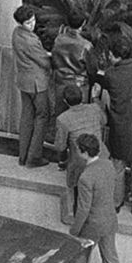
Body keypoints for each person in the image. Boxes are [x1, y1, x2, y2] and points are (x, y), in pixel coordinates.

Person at [67, 133, 124, 263]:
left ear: (83, 152)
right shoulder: (108, 165)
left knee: (81, 260)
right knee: (111, 259)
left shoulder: (86, 177)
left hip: (92, 224)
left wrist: (74, 229)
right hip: (109, 219)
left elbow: (84, 208)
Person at [99, 33, 132, 214]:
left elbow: (106, 95)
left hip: (118, 126)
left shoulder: (110, 74)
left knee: (117, 164)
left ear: (114, 55)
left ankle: (116, 202)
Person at [54, 84, 106, 224]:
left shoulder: (63, 119)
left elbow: (60, 145)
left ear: (65, 101)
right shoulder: (94, 108)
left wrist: (63, 159)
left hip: (80, 160)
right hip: (101, 156)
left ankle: (73, 213)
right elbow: (104, 121)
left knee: (72, 184)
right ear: (82, 96)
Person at [10, 6, 55, 168]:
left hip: (24, 82)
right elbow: (44, 61)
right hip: (37, 83)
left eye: (33, 20)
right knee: (42, 117)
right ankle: (34, 157)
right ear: (22, 23)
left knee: (27, 118)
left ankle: (23, 156)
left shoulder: (16, 33)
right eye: (29, 22)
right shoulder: (31, 40)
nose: (33, 24)